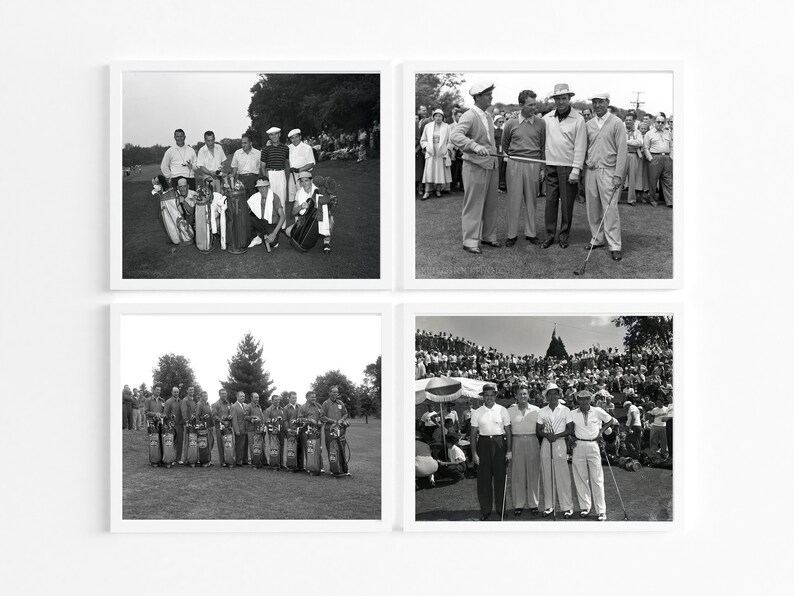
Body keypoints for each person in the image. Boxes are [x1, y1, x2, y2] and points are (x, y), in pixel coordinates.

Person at [450, 82, 500, 255]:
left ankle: (488, 236)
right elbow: (455, 135)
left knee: (491, 203)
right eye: (487, 94)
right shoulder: (469, 116)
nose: (491, 97)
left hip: (491, 164)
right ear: (477, 97)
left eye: (491, 94)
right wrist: (474, 145)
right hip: (474, 166)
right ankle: (470, 240)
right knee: (474, 204)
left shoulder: (488, 116)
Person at [583, 92, 627, 262]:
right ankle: (597, 239)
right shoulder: (588, 124)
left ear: (608, 102)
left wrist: (618, 175)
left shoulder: (616, 123)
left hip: (609, 171)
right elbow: (584, 147)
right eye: (594, 102)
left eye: (601, 102)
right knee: (592, 208)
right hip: (591, 170)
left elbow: (622, 151)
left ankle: (615, 245)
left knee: (610, 210)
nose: (597, 105)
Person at [542, 83, 586, 249]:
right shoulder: (547, 118)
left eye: (563, 98)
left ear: (569, 99)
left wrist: (576, 169)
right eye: (557, 98)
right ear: (554, 99)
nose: (560, 101)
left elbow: (580, 146)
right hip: (551, 165)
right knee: (550, 202)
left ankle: (564, 236)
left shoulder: (578, 119)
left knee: (567, 205)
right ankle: (549, 235)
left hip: (568, 167)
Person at [501, 89, 546, 247]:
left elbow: (543, 146)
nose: (534, 108)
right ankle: (512, 234)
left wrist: (541, 168)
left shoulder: (541, 123)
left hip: (533, 164)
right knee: (514, 200)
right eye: (530, 105)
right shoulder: (511, 123)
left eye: (535, 104)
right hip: (514, 164)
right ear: (521, 105)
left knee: (531, 200)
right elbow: (505, 144)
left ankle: (531, 233)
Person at [570, 390, 616, 521]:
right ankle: (585, 507)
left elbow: (610, 420)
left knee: (597, 479)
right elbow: (567, 427)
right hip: (578, 445)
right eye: (581, 399)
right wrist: (570, 437)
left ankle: (601, 511)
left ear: (590, 399)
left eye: (586, 399)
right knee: (580, 478)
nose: (584, 401)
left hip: (593, 445)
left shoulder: (597, 411)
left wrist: (601, 432)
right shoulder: (572, 413)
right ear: (577, 400)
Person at [470, 383, 512, 521]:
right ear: (483, 397)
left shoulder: (502, 410)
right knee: (484, 480)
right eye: (486, 395)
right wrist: (474, 454)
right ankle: (486, 510)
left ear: (495, 396)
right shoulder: (476, 412)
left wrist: (509, 451)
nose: (489, 398)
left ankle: (501, 510)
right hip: (483, 444)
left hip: (499, 444)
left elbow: (508, 432)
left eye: (491, 395)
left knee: (500, 479)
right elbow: (473, 435)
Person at [536, 382, 574, 518]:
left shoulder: (565, 410)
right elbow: (538, 430)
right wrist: (547, 435)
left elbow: (570, 429)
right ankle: (549, 506)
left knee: (563, 475)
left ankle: (567, 507)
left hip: (560, 443)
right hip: (546, 443)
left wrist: (556, 435)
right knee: (547, 474)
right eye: (549, 394)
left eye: (555, 394)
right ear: (546, 396)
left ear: (559, 395)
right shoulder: (542, 411)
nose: (552, 396)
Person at [507, 386, 541, 516]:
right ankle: (519, 504)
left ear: (528, 396)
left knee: (533, 474)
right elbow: (507, 430)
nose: (522, 396)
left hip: (532, 441)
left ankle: (533, 504)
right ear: (516, 396)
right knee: (517, 475)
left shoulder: (536, 410)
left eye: (525, 394)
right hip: (517, 441)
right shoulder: (510, 411)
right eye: (520, 394)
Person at [290, 171, 337, 253]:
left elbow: (327, 208)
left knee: (331, 221)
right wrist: (301, 207)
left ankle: (326, 242)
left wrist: (331, 201)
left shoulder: (319, 190)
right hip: (305, 219)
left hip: (319, 218)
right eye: (302, 181)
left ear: (311, 181)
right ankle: (312, 235)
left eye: (306, 180)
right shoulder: (298, 193)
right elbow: (293, 212)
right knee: (288, 232)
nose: (304, 183)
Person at [419, 109, 452, 199]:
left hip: (441, 151)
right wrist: (426, 147)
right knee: (429, 171)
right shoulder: (428, 126)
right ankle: (427, 191)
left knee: (439, 171)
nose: (438, 118)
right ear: (433, 117)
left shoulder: (447, 127)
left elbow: (450, 140)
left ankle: (438, 190)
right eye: (436, 116)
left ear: (443, 117)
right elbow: (423, 140)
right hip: (431, 151)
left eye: (440, 116)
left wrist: (447, 149)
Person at [262, 127, 290, 229]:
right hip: (270, 174)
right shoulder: (265, 149)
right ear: (269, 136)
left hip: (281, 174)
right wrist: (265, 178)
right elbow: (262, 165)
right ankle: (271, 223)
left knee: (282, 198)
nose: (274, 136)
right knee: (270, 199)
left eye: (275, 134)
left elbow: (288, 162)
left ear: (279, 134)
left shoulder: (285, 148)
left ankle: (282, 225)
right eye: (271, 135)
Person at [286, 128, 316, 224]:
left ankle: (308, 219)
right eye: (292, 138)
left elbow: (311, 163)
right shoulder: (288, 148)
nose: (294, 140)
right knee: (294, 198)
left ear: (300, 137)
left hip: (304, 175)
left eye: (296, 137)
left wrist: (299, 169)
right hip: (292, 176)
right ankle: (297, 221)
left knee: (304, 196)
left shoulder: (307, 148)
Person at [643, 114, 673, 207]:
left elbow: (671, 146)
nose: (660, 123)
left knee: (668, 180)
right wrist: (650, 158)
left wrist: (671, 157)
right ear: (654, 122)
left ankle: (670, 201)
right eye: (658, 122)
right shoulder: (649, 133)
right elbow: (646, 148)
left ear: (665, 123)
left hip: (667, 158)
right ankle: (653, 200)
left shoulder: (668, 133)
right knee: (653, 180)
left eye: (662, 122)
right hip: (655, 157)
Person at [247, 178, 284, 249]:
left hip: (272, 224)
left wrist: (274, 234)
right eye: (259, 187)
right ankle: (256, 237)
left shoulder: (274, 197)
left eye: (264, 186)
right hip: (261, 222)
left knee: (272, 244)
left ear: (268, 186)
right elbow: (246, 208)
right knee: (246, 218)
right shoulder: (256, 196)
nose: (261, 189)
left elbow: (282, 217)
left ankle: (264, 235)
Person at [320, 385, 349, 462]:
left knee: (341, 447)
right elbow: (322, 416)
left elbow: (345, 414)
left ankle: (342, 467)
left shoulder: (340, 403)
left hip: (340, 429)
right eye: (333, 392)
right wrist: (334, 421)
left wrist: (341, 420)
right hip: (329, 429)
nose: (335, 394)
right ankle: (334, 469)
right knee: (331, 448)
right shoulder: (325, 403)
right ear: (329, 393)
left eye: (336, 392)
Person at [301, 391, 324, 471]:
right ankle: (310, 466)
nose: (314, 398)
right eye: (312, 397)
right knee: (309, 449)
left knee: (318, 448)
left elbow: (323, 416)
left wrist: (321, 421)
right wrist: (310, 420)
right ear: (307, 397)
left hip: (317, 431)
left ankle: (319, 466)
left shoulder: (319, 406)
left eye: (315, 397)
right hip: (307, 432)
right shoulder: (303, 407)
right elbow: (300, 419)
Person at [624, 114, 644, 206]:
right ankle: (615, 199)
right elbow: (618, 142)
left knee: (632, 179)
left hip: (633, 156)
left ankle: (631, 199)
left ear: (634, 121)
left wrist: (626, 142)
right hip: (622, 155)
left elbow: (640, 142)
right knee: (619, 177)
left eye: (630, 120)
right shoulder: (621, 130)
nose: (628, 122)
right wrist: (633, 143)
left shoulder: (637, 132)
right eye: (626, 120)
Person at [212, 388, 233, 467]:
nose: (224, 395)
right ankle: (222, 461)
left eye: (225, 393)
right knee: (221, 445)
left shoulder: (228, 403)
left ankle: (229, 459)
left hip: (228, 427)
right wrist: (222, 421)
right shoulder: (216, 404)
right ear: (219, 394)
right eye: (222, 394)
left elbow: (229, 413)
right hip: (219, 427)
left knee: (228, 444)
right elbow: (214, 415)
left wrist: (230, 418)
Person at [163, 387, 184, 464]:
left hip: (180, 424)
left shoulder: (181, 402)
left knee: (180, 442)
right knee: (171, 442)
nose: (176, 393)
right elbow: (165, 414)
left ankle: (178, 459)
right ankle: (171, 458)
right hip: (171, 425)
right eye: (174, 392)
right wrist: (169, 418)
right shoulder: (168, 402)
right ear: (172, 392)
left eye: (177, 392)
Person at [245, 392, 265, 468]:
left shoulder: (258, 406)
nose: (257, 399)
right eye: (256, 397)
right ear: (251, 398)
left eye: (258, 397)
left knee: (259, 446)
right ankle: (254, 463)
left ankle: (258, 461)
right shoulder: (248, 406)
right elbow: (245, 417)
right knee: (253, 446)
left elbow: (261, 417)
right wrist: (252, 418)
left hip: (259, 430)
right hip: (251, 430)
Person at [195, 391, 214, 466]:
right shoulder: (199, 404)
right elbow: (197, 416)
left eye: (207, 396)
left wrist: (211, 426)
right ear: (201, 397)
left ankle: (208, 460)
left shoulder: (207, 404)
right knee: (203, 444)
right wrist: (199, 423)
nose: (206, 397)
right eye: (204, 396)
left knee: (209, 443)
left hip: (208, 427)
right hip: (202, 428)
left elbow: (210, 415)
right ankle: (204, 461)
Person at [231, 391, 249, 466]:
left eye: (243, 396)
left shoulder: (245, 405)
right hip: (239, 429)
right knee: (239, 446)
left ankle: (245, 460)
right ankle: (238, 461)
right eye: (241, 396)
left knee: (245, 446)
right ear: (237, 397)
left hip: (246, 429)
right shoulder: (234, 406)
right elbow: (234, 419)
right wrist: (236, 430)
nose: (243, 398)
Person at [180, 386, 198, 461]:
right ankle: (186, 458)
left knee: (193, 440)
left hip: (194, 423)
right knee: (187, 440)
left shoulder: (194, 399)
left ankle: (193, 456)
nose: (191, 391)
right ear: (187, 390)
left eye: (192, 390)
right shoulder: (185, 400)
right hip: (188, 423)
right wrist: (186, 421)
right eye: (190, 389)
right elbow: (183, 411)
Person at [493, 113, 507, 193]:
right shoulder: (493, 129)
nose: (501, 123)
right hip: (495, 150)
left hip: (501, 150)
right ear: (495, 122)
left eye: (502, 122)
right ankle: (495, 186)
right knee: (496, 168)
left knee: (501, 168)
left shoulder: (502, 130)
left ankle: (500, 185)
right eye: (500, 122)